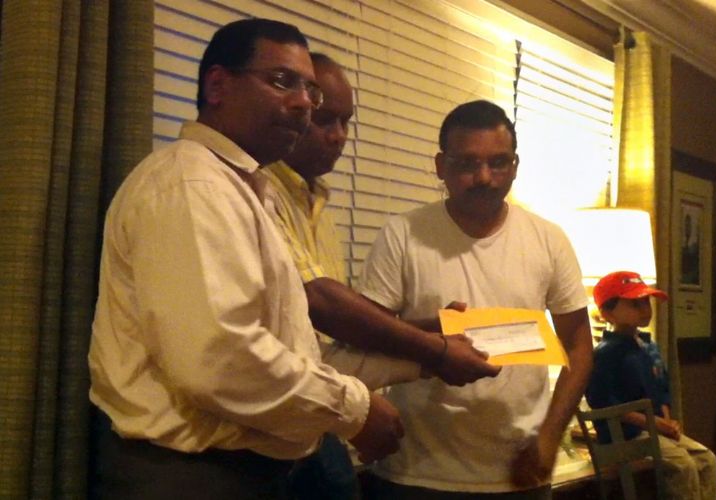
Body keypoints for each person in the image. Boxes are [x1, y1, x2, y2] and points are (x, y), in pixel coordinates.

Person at [88, 19, 405, 499]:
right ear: (218, 85)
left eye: (310, 90)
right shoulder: (192, 184)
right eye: (282, 81)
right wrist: (353, 410)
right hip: (192, 477)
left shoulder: (242, 189)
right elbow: (221, 360)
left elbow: (286, 345)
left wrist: (422, 360)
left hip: (235, 471)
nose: (303, 102)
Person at [262, 54, 500, 499]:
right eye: (325, 119)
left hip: (319, 427)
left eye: (346, 122)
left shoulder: (317, 207)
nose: (338, 136)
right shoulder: (258, 192)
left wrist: (426, 330)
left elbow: (326, 338)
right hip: (273, 431)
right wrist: (434, 350)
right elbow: (321, 304)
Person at [356, 100, 593, 498]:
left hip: (519, 473)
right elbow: (367, 341)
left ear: (515, 166)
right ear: (440, 166)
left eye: (498, 163)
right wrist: (430, 337)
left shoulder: (548, 239)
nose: (484, 177)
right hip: (415, 473)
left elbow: (578, 345)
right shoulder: (402, 234)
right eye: (467, 163)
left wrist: (549, 439)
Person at [585, 270, 716, 500]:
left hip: (654, 431)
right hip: (626, 437)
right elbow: (605, 403)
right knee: (682, 465)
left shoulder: (648, 347)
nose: (645, 309)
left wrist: (667, 421)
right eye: (634, 303)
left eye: (646, 301)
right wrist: (656, 424)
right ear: (607, 313)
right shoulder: (605, 354)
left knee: (707, 460)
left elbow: (661, 390)